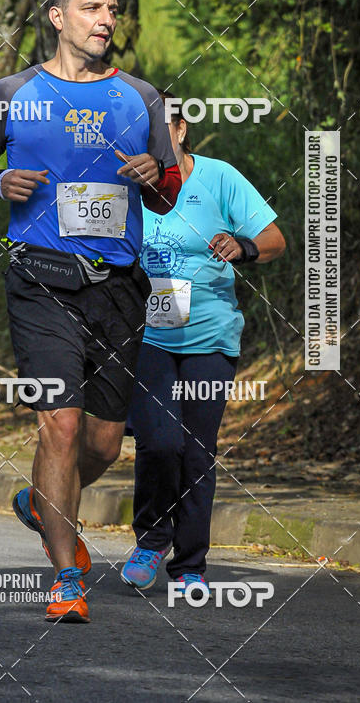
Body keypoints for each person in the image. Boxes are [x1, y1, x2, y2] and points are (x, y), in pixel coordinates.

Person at [0, 0, 181, 622]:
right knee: (61, 421)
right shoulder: (11, 93)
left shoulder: (142, 100)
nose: (105, 18)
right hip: (41, 279)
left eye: (112, 8)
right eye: (91, 7)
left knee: (104, 445)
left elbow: (167, 191)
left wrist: (152, 177)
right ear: (56, 17)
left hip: (119, 289)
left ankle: (41, 502)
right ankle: (64, 577)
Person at [120, 101, 286, 593]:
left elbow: (274, 238)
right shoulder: (127, 185)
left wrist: (243, 246)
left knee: (196, 450)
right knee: (159, 442)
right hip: (148, 336)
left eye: (158, 129)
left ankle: (189, 564)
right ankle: (152, 540)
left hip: (210, 337)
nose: (150, 141)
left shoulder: (219, 178)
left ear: (181, 128)